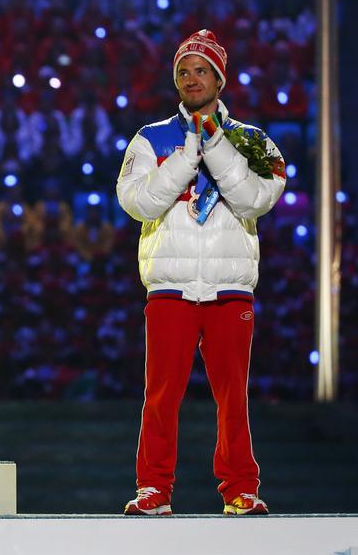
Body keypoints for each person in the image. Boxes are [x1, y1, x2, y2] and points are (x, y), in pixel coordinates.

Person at [116, 29, 285, 516]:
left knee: (233, 396)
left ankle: (240, 488)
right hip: (170, 286)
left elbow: (258, 198)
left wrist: (214, 145)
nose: (192, 79)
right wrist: (188, 153)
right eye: (183, 72)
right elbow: (137, 201)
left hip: (230, 288)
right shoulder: (151, 138)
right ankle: (153, 490)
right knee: (161, 394)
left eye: (201, 70)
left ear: (219, 78)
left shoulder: (253, 140)